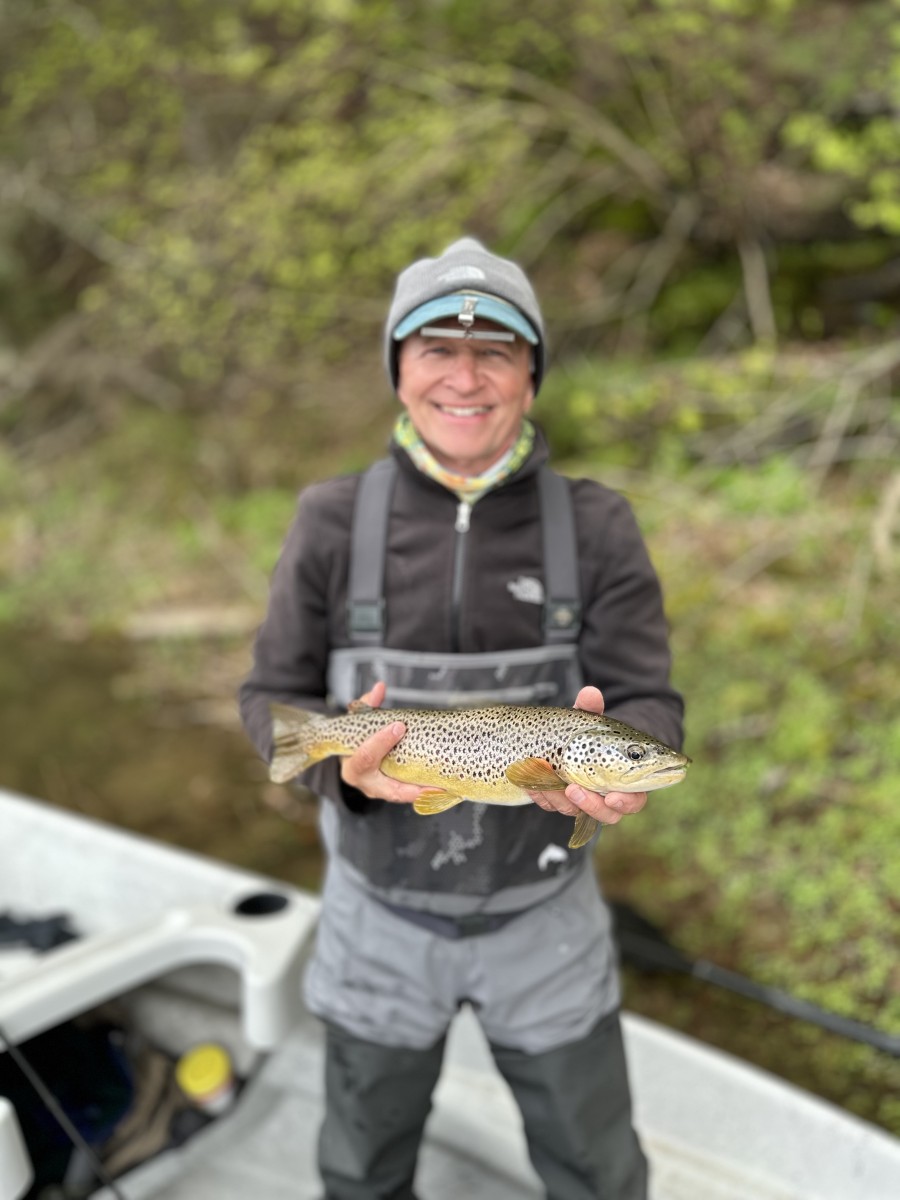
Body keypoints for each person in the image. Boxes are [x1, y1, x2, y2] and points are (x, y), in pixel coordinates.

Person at [239, 237, 684, 1200]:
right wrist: (337, 767)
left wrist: (633, 754)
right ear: (398, 368)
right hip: (376, 922)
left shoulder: (597, 524)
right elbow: (269, 699)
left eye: (496, 351)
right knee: (361, 1172)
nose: (465, 376)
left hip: (547, 923)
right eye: (437, 348)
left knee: (601, 1175)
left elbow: (648, 699)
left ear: (532, 372)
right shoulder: (330, 520)